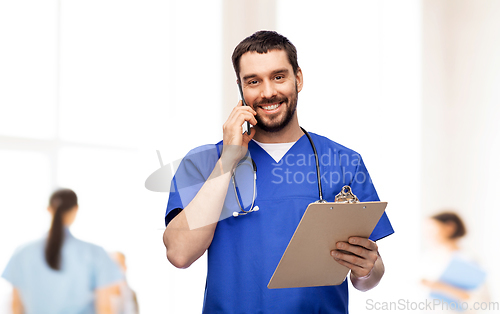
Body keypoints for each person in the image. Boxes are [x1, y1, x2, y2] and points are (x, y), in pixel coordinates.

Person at [163, 30, 394, 313]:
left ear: (298, 78)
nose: (268, 91)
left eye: (278, 76)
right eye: (253, 81)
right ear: (240, 88)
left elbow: (368, 276)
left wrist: (366, 270)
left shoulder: (344, 161)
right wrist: (229, 159)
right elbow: (179, 253)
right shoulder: (204, 161)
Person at [2, 188, 123, 314]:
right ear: (76, 209)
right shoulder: (95, 253)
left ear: (48, 209)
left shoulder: (23, 253)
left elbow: (16, 306)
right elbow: (104, 308)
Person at [421, 212, 489, 313]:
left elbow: (483, 301)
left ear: (450, 227)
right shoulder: (426, 257)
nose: (427, 235)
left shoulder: (468, 259)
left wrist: (441, 287)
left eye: (431, 230)